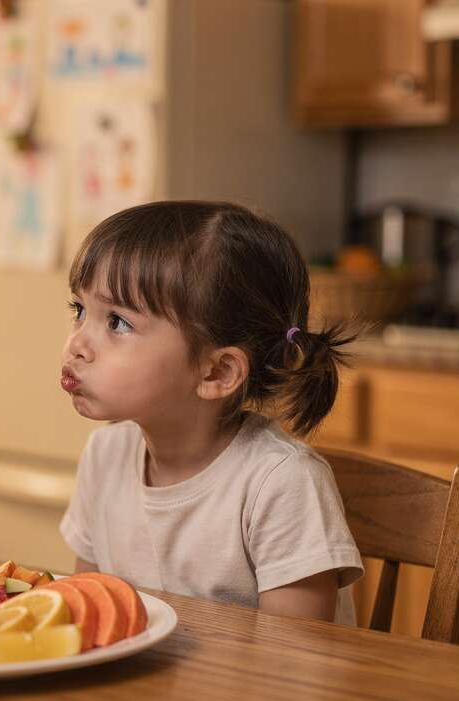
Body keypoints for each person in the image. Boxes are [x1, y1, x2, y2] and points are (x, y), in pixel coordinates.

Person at [58, 201, 364, 623]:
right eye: (78, 311)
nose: (76, 343)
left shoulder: (281, 484)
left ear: (217, 371)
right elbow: (90, 619)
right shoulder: (104, 455)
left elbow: (297, 664)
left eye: (117, 323)